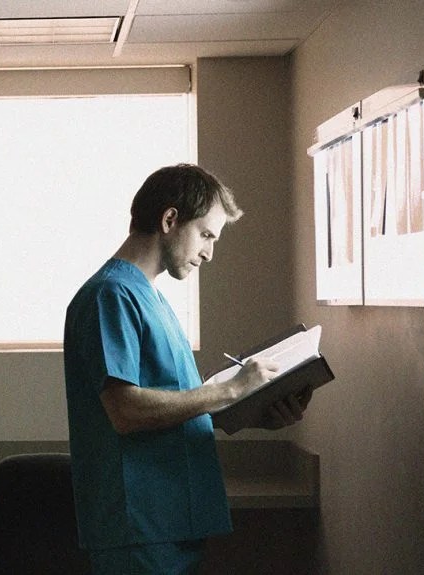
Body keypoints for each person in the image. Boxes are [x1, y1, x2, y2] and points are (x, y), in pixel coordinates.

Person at [62, 164, 311, 574]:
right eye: (207, 235)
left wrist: (252, 412)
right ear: (170, 219)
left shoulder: (153, 300)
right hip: (138, 527)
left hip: (173, 521)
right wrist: (232, 389)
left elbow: (175, 408)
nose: (209, 252)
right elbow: (125, 411)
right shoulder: (111, 296)